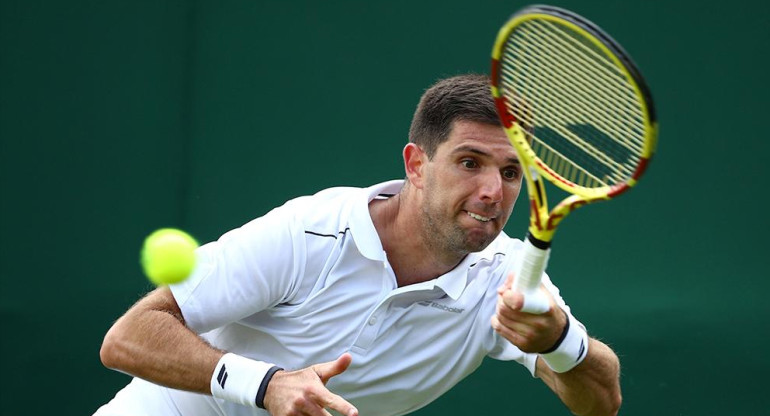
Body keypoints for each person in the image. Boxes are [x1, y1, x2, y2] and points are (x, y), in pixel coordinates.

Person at [94, 74, 621, 416]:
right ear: (416, 165)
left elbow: (601, 402)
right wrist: (266, 384)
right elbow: (127, 338)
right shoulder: (310, 231)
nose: (492, 190)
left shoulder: (504, 276)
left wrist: (560, 339)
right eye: (469, 163)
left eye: (510, 171)